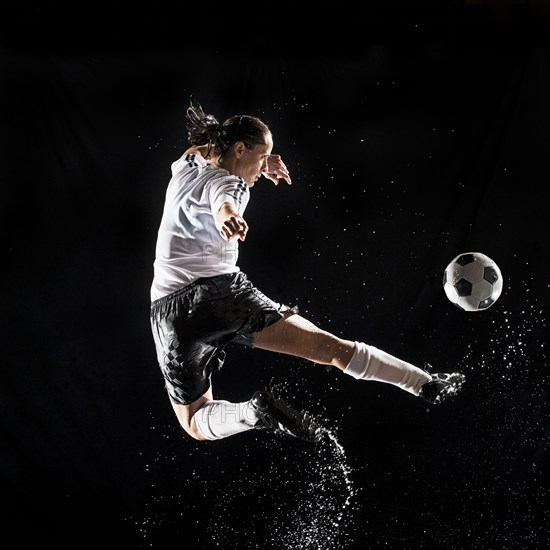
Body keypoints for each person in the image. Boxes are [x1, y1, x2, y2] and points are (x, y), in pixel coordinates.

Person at [149, 98, 465, 444]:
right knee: (331, 350)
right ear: (240, 148)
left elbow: (207, 151)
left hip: (168, 313)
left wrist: (261, 159)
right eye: (259, 158)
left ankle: (253, 413)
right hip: (223, 295)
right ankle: (425, 384)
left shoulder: (187, 164)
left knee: (194, 423)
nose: (259, 171)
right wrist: (228, 217)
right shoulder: (231, 185)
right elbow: (223, 199)